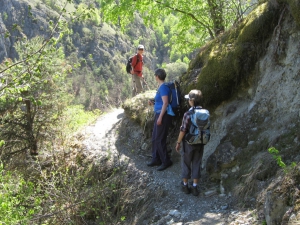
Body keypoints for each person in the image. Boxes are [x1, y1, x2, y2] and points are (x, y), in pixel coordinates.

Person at [175, 89, 205, 196]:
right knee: (197, 162)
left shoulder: (188, 114)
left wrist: (178, 142)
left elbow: (183, 130)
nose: (188, 101)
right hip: (201, 142)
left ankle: (185, 185)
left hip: (189, 142)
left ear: (192, 101)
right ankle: (195, 187)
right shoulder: (205, 113)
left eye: (189, 100)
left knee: (186, 163)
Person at [147, 68, 173, 171]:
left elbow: (166, 103)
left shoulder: (163, 88)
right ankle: (156, 158)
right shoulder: (161, 87)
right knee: (154, 137)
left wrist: (161, 117)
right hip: (159, 113)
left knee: (159, 139)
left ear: (157, 76)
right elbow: (161, 102)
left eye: (155, 76)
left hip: (163, 115)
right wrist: (153, 103)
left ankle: (166, 161)